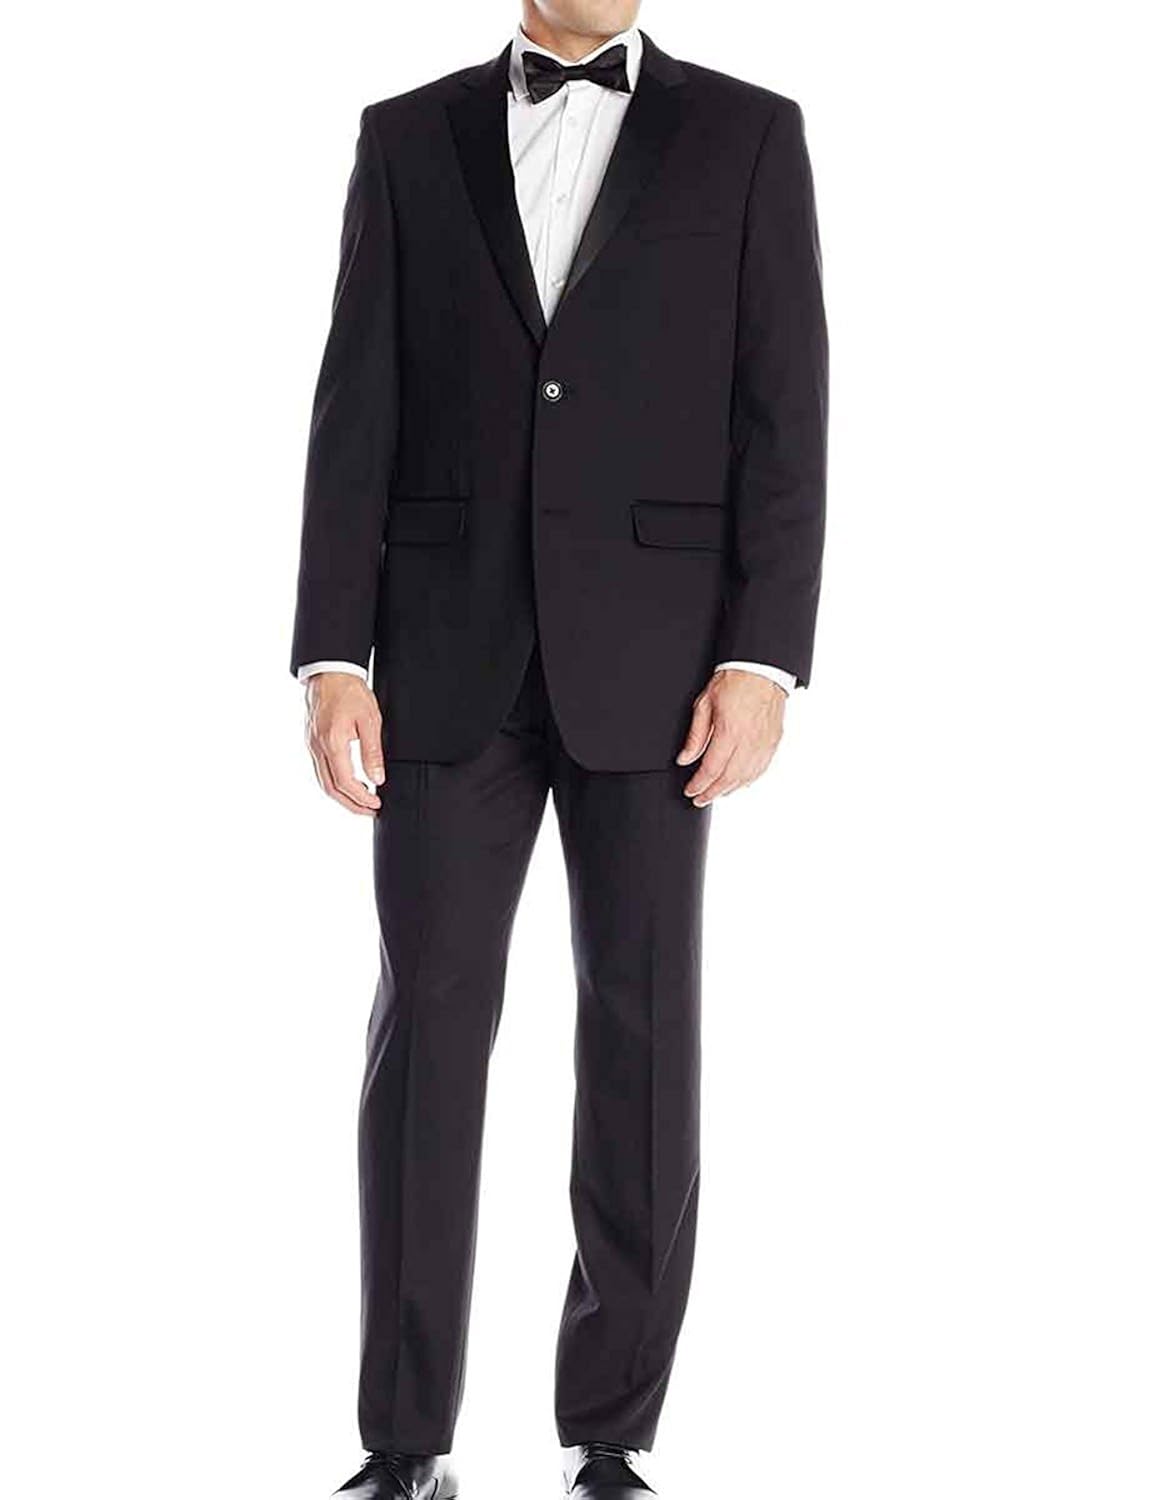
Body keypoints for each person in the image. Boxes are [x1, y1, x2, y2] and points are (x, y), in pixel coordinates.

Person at [291, 2, 827, 1495]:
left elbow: (785, 408)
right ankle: (405, 1441)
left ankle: (610, 1435)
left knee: (643, 1036)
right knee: (424, 1032)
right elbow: (355, 404)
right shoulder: (405, 138)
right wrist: (333, 654)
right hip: (442, 656)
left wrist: (762, 655)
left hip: (660, 666)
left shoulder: (749, 135)